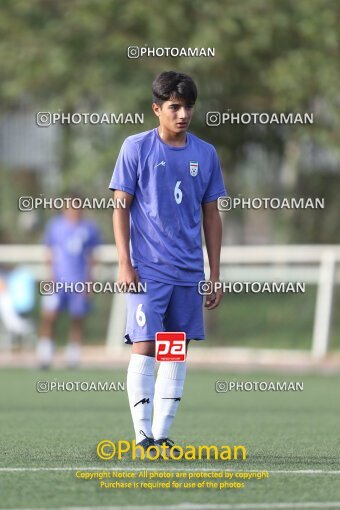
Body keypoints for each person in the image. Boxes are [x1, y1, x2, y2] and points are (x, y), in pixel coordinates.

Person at [109, 71, 226, 454]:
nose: (183, 114)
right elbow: (120, 208)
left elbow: (212, 215)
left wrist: (215, 273)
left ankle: (159, 435)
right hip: (147, 270)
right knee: (144, 345)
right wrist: (125, 262)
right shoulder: (136, 147)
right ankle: (141, 434)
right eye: (174, 107)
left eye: (188, 107)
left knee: (175, 348)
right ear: (156, 108)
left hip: (189, 273)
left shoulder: (205, 154)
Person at [36, 194, 102, 368]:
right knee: (49, 316)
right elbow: (49, 252)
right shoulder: (55, 226)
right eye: (70, 206)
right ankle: (45, 355)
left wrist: (89, 281)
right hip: (58, 282)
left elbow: (92, 257)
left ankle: (73, 357)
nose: (73, 210)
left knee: (77, 318)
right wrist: (50, 276)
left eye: (77, 206)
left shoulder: (89, 228)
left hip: (79, 281)